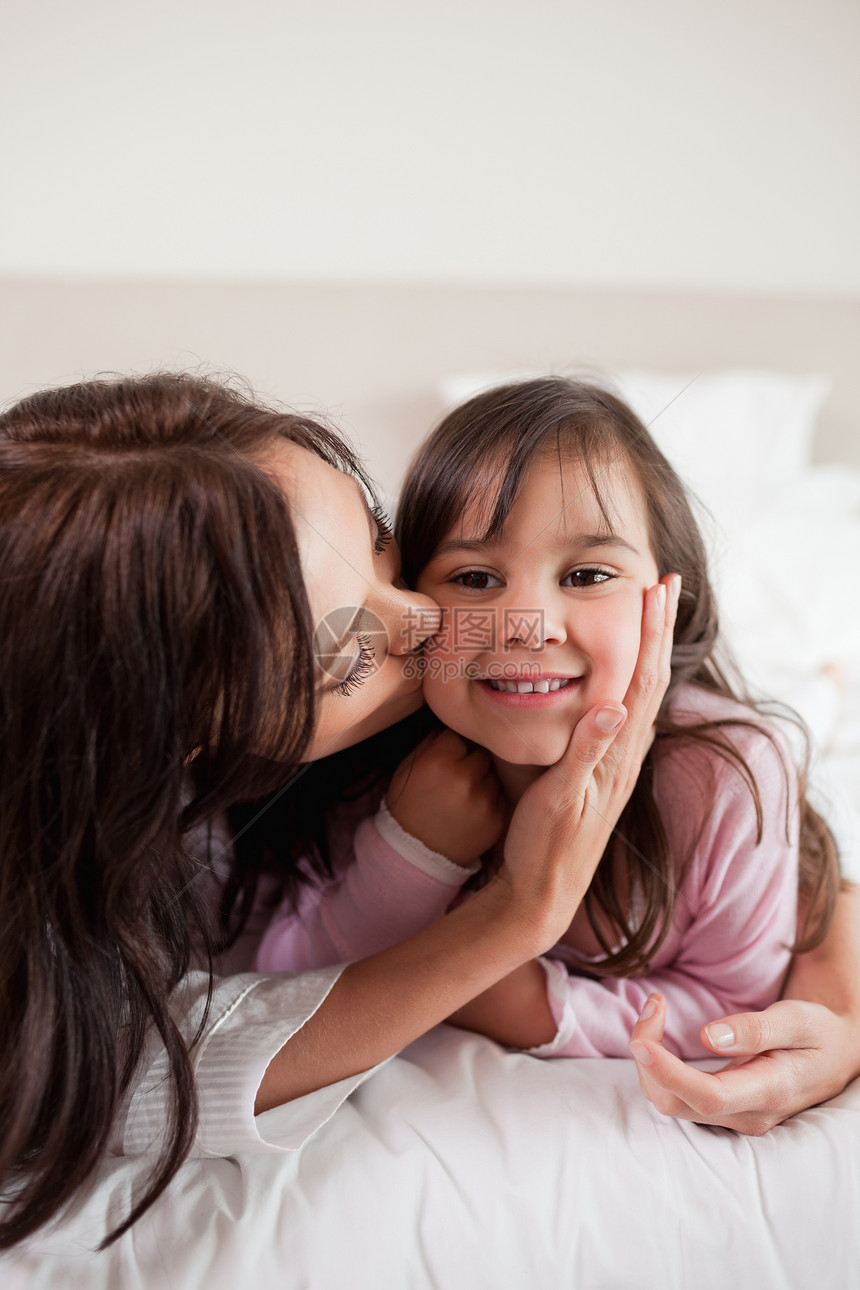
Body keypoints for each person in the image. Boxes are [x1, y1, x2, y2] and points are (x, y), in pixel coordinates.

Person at [0, 373, 856, 1258]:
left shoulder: (704, 765)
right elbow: (188, 1037)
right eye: (345, 650)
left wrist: (839, 977)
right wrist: (492, 904)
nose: (426, 621)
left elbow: (761, 898)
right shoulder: (260, 806)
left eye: (378, 544)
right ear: (186, 741)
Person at [255, 376, 845, 1062]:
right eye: (474, 578)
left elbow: (736, 1002)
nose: (524, 628)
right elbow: (280, 977)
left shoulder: (725, 773)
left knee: (811, 710)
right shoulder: (378, 753)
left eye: (588, 576)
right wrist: (410, 851)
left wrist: (516, 998)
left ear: (668, 600)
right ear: (412, 604)